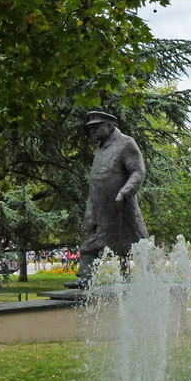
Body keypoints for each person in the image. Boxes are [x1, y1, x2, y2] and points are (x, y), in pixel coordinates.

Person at [67, 111, 149, 288]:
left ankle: (146, 278)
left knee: (133, 242)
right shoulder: (102, 146)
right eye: (91, 128)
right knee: (89, 238)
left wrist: (124, 192)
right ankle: (85, 278)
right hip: (97, 204)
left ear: (110, 126)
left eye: (96, 127)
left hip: (120, 205)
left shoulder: (126, 143)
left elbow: (138, 172)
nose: (92, 131)